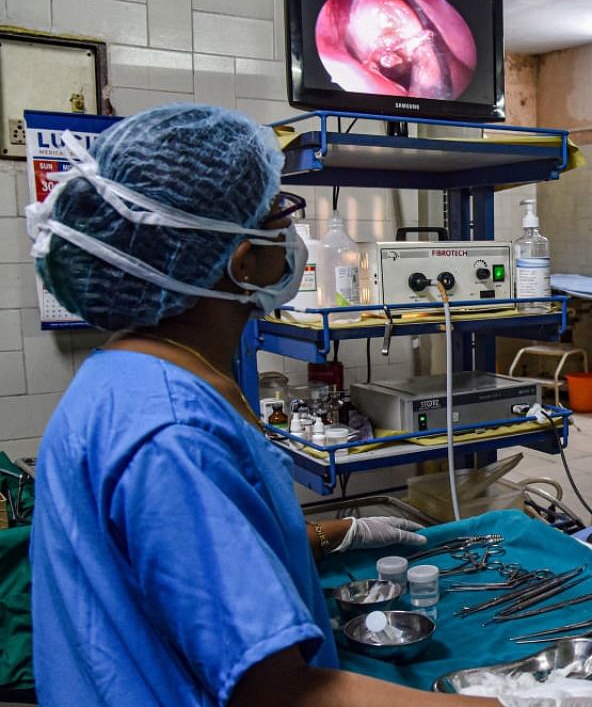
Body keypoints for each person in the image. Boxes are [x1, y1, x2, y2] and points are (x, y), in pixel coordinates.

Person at [27, 105, 491, 706]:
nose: (292, 236)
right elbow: (285, 697)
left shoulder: (132, 375)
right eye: (279, 214)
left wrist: (334, 534)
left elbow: (186, 558)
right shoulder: (169, 433)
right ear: (242, 263)